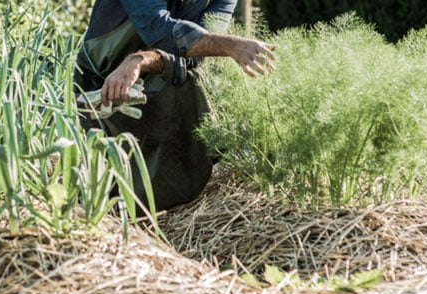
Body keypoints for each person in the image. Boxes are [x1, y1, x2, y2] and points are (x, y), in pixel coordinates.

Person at [74, 0, 277, 214]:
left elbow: (199, 52)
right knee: (96, 191)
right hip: (98, 83)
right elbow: (157, 27)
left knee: (197, 81)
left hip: (157, 74)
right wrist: (232, 46)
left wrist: (141, 61)